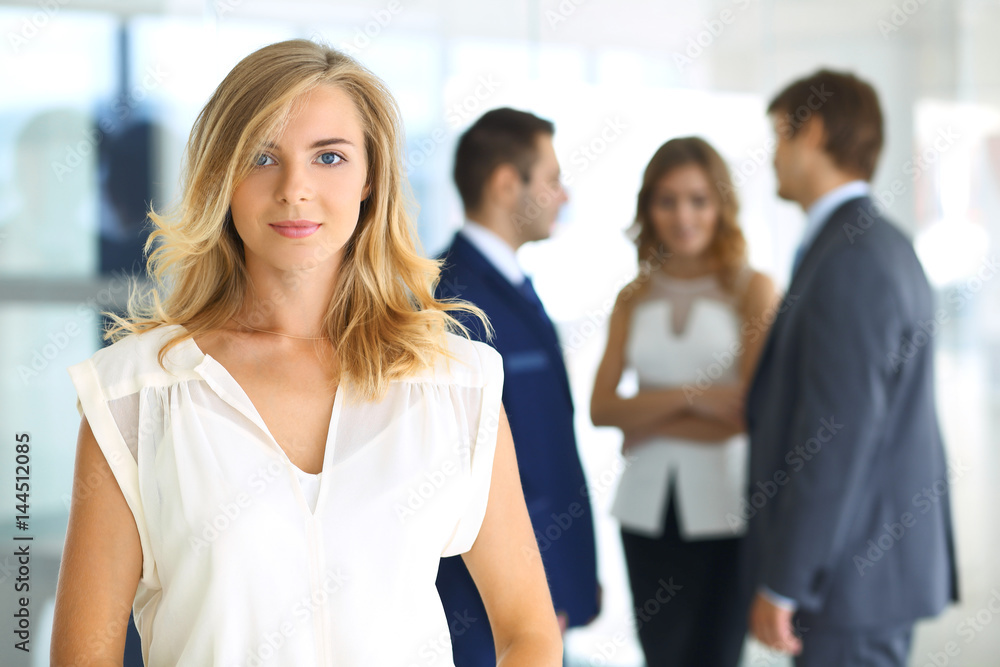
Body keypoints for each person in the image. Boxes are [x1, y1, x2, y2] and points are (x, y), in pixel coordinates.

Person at [50, 39, 562, 666]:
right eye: (262, 156)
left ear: (371, 178)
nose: (295, 188)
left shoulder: (453, 384)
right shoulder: (135, 394)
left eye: (329, 157)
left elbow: (529, 632)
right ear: (222, 177)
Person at [743, 69, 959, 666]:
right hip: (864, 573)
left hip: (849, 580)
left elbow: (835, 439)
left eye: (778, 140)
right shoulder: (875, 243)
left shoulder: (851, 257)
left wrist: (785, 581)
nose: (773, 160)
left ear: (810, 132)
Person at [590, 136, 777, 666]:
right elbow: (601, 408)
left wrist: (646, 415)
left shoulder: (753, 290)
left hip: (726, 507)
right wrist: (697, 397)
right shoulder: (633, 295)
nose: (683, 215)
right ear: (649, 207)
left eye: (699, 199)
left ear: (721, 205)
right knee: (662, 654)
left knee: (716, 654)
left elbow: (747, 416)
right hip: (644, 512)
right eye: (667, 200)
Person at [434, 108, 600, 665]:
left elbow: (550, 449)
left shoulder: (515, 284)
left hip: (538, 595)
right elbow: (464, 468)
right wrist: (539, 588)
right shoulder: (447, 299)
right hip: (489, 604)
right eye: (551, 179)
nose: (563, 195)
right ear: (508, 184)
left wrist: (575, 577)